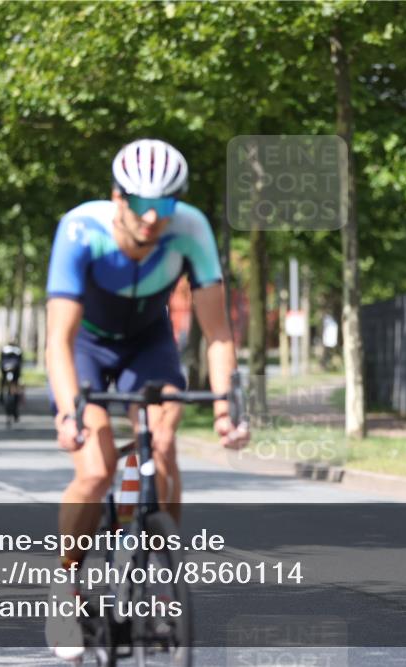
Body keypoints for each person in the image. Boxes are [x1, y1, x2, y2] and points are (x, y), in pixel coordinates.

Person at [44, 139, 249, 660]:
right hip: (86, 346)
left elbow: (219, 334)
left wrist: (227, 409)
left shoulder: (192, 230)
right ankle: (65, 588)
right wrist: (70, 413)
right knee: (95, 469)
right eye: (139, 203)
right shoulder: (79, 230)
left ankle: (160, 576)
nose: (153, 216)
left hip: (149, 345)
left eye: (167, 204)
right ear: (118, 198)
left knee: (162, 445)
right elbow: (58, 342)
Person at [0, 340, 23, 407]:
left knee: (3, 380)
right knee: (16, 382)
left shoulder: (4, 349)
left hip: (5, 368)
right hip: (15, 369)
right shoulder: (18, 349)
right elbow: (21, 361)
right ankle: (17, 396)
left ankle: (1, 394)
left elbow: (1, 360)